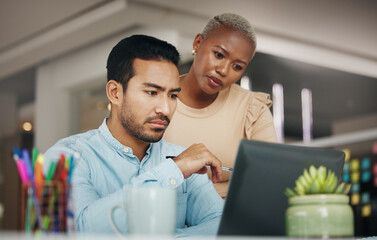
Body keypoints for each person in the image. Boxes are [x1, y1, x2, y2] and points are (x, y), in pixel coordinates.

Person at [44, 35, 224, 237]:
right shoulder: (66, 156)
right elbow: (78, 230)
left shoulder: (184, 161)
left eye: (173, 95)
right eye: (151, 92)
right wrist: (172, 172)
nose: (165, 109)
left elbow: (222, 227)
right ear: (115, 93)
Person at [163, 13, 277, 198]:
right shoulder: (156, 100)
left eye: (237, 67)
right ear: (197, 43)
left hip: (230, 218)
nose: (223, 71)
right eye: (218, 55)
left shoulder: (253, 109)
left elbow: (269, 179)